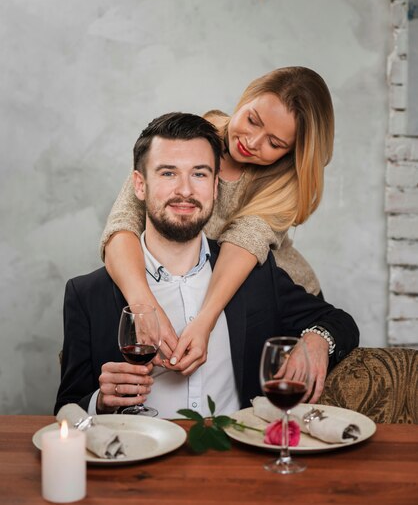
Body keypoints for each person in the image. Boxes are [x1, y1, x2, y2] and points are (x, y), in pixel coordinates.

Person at [55, 113, 359, 417]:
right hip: (135, 457)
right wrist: (100, 400)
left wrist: (319, 340)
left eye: (199, 174)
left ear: (215, 186)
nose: (185, 190)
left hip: (238, 457)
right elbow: (66, 409)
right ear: (139, 185)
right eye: (168, 173)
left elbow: (339, 321)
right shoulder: (86, 294)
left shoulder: (254, 277)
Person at [100, 67, 335, 376]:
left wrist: (204, 322)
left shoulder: (283, 185)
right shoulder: (191, 139)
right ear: (246, 98)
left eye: (274, 143)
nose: (252, 141)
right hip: (197, 282)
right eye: (252, 120)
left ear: (292, 152)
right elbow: (123, 223)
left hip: (270, 292)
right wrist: (145, 305)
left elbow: (240, 245)